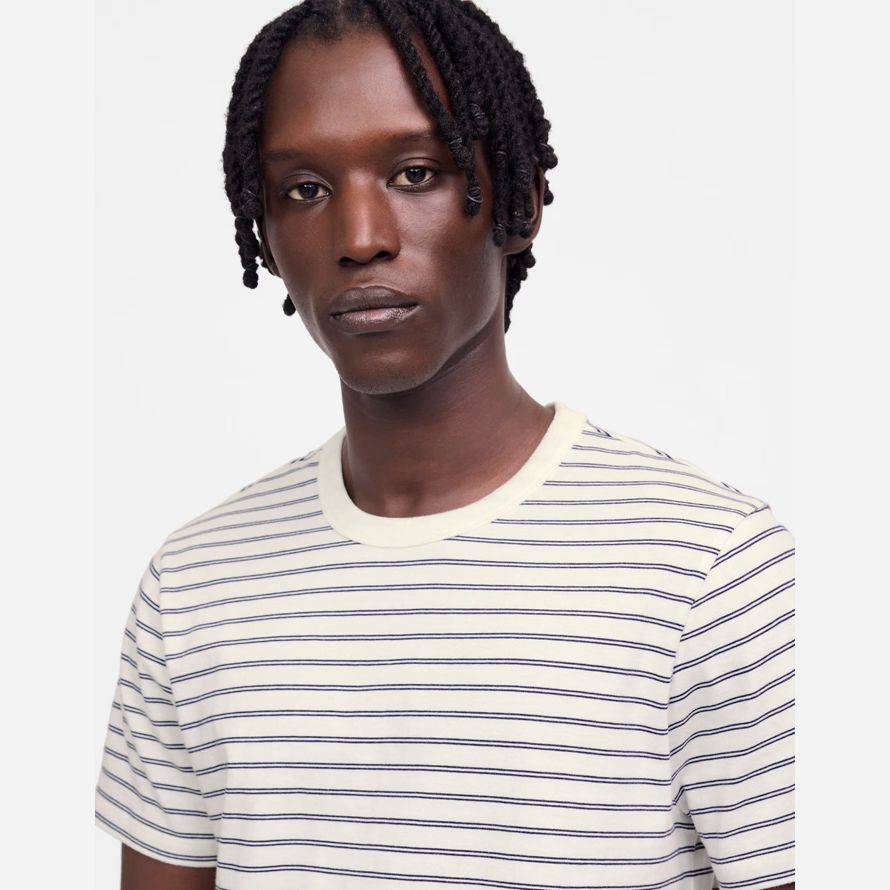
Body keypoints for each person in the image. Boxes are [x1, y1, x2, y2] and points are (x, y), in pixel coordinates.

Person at [94, 1, 795, 888]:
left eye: (416, 173)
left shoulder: (716, 576)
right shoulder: (194, 588)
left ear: (520, 202)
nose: (361, 239)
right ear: (264, 234)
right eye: (304, 190)